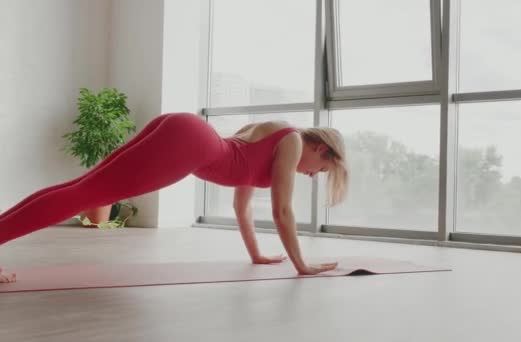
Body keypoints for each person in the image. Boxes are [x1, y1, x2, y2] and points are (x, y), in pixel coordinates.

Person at [0, 112, 349, 283]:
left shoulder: (276, 136)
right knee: (83, 194)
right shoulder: (293, 142)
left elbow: (241, 206)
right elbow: (282, 209)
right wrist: (302, 265)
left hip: (185, 130)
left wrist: (256, 254)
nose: (312, 175)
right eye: (320, 169)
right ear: (320, 148)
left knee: (81, 188)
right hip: (191, 144)